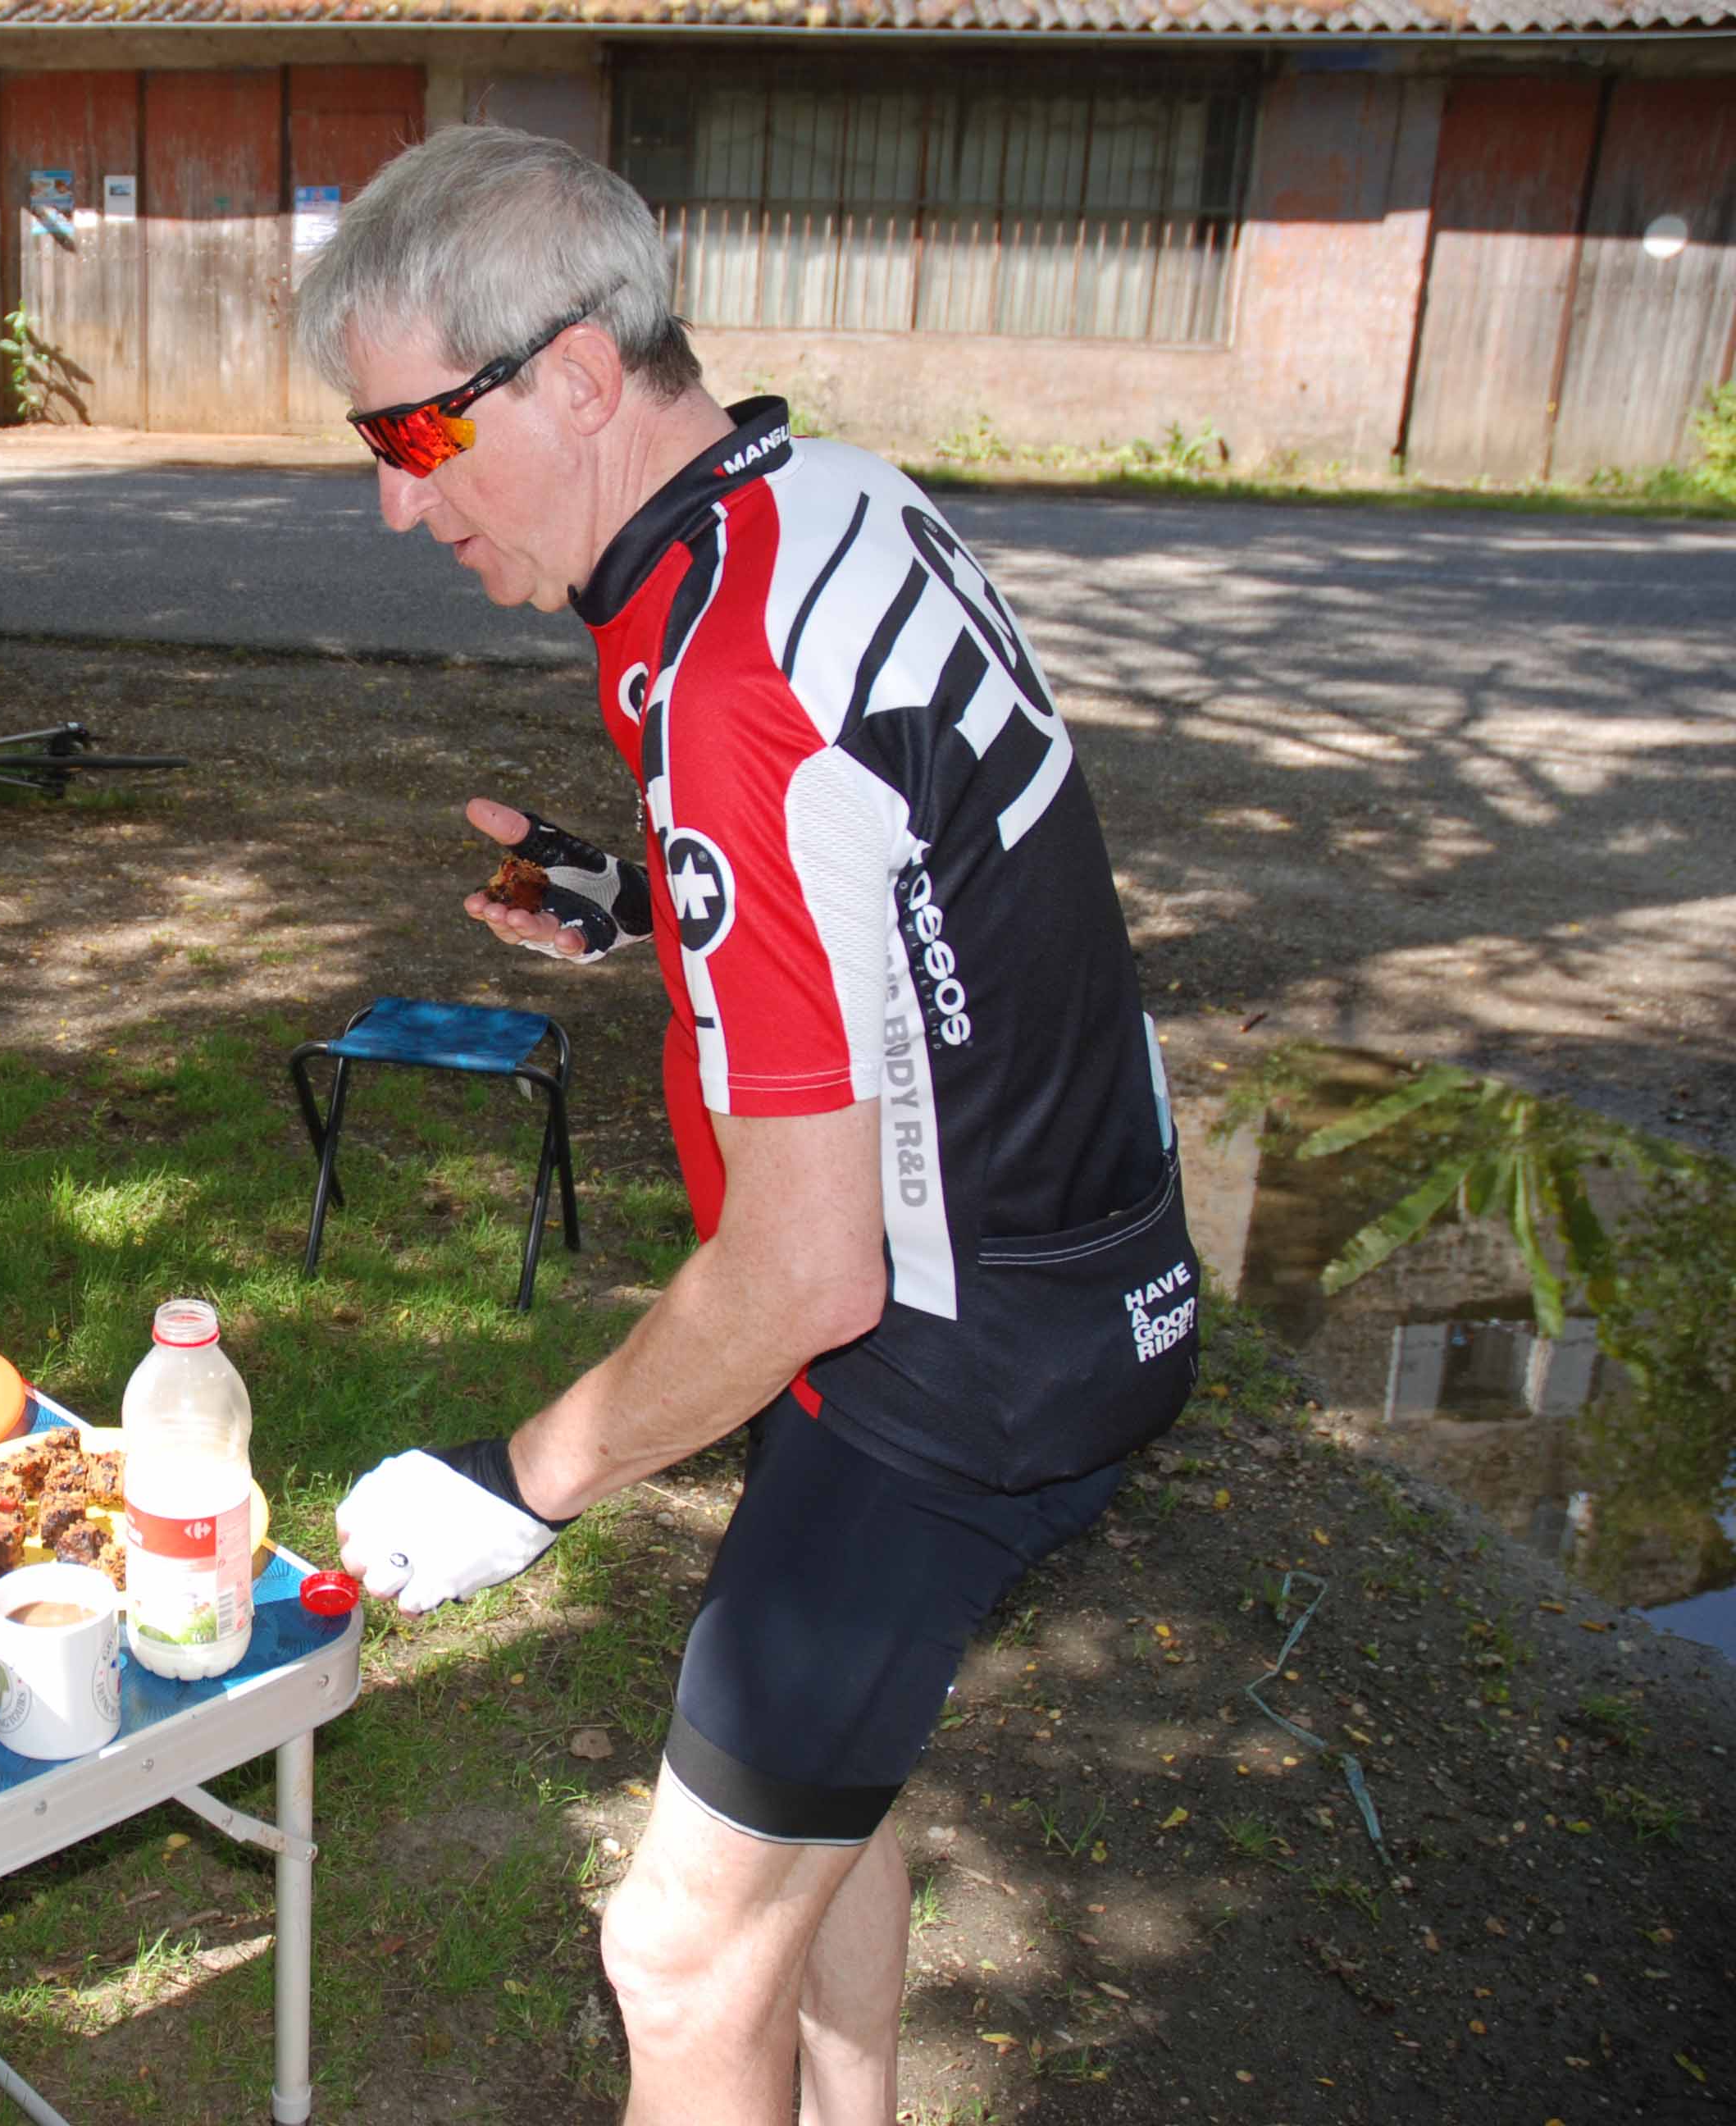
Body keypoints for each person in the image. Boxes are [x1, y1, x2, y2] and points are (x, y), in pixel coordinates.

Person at [306, 130, 1201, 2124]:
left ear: (571, 376)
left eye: (411, 438)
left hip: (949, 1366)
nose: (390, 505)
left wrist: (522, 1480)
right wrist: (650, 902)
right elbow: (894, 856)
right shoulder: (813, 497)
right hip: (1074, 1273)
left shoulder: (723, 680)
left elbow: (804, 1266)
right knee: (816, 1815)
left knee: (679, 1951)